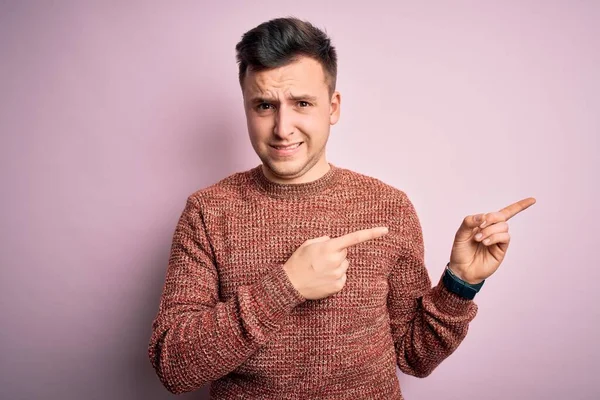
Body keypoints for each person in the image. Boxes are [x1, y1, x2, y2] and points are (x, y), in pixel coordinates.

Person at [148, 17, 535, 399]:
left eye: (302, 103)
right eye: (264, 105)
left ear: (332, 107)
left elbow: (414, 358)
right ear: (246, 108)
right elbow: (174, 366)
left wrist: (460, 283)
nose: (283, 128)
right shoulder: (207, 212)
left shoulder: (388, 207)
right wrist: (286, 286)